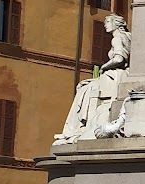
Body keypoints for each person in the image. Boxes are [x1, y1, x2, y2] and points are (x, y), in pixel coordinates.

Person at [54, 15, 130, 143]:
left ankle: (74, 129)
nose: (105, 24)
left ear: (116, 24)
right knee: (86, 86)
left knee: (84, 88)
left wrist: (103, 67)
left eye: (107, 22)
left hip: (114, 75)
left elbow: (118, 59)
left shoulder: (117, 38)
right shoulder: (128, 37)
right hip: (123, 74)